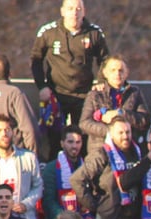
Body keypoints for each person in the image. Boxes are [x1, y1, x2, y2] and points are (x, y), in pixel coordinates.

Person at [30, 0, 110, 158]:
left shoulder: (94, 32)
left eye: (78, 9)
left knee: (83, 139)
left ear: (84, 11)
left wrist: (101, 82)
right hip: (56, 94)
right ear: (62, 11)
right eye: (71, 8)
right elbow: (36, 60)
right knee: (55, 140)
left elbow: (105, 60)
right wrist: (42, 86)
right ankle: (55, 173)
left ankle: (83, 176)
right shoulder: (48, 32)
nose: (75, 12)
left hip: (83, 95)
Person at [71, 116, 143, 219]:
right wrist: (95, 206)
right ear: (111, 134)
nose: (125, 136)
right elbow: (76, 179)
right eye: (121, 133)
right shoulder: (102, 153)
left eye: (128, 132)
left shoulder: (137, 151)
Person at [81, 55, 150, 148]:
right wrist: (111, 132)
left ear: (127, 73)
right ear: (105, 73)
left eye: (121, 70)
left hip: (128, 146)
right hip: (100, 147)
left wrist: (121, 113)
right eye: (113, 70)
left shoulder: (134, 93)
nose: (117, 73)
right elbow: (84, 123)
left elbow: (144, 120)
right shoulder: (95, 94)